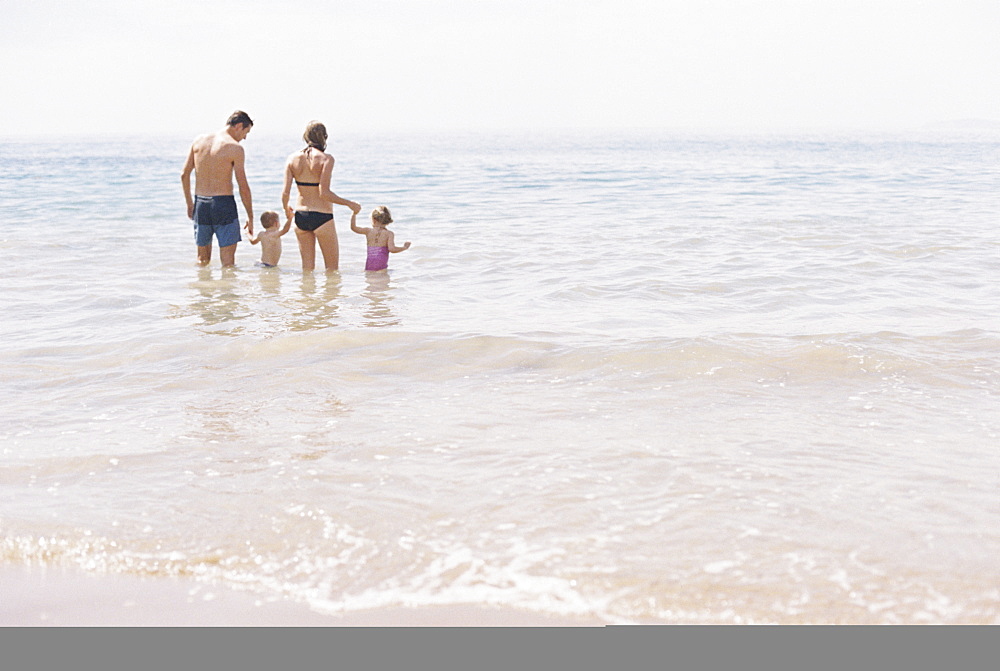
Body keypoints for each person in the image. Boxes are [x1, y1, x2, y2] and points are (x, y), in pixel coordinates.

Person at [281, 121, 361, 272]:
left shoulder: (292, 159)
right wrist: (349, 203)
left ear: (306, 136)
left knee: (307, 270)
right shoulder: (326, 159)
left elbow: (285, 193)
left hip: (301, 215)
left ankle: (306, 296)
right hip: (322, 216)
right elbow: (324, 193)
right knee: (332, 271)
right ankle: (329, 296)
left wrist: (286, 210)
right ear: (325, 137)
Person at [181, 110, 255, 267]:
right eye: (246, 132)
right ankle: (226, 291)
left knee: (202, 260)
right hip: (223, 205)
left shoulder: (199, 141)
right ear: (239, 126)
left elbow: (184, 174)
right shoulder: (234, 148)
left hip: (201, 204)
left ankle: (203, 290)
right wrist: (250, 216)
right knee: (228, 264)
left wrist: (190, 204)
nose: (245, 138)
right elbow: (243, 186)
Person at [350, 205, 410, 272]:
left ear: (374, 220)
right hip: (382, 267)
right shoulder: (389, 233)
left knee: (370, 280)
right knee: (383, 280)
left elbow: (353, 228)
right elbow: (392, 249)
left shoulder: (368, 231)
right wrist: (404, 247)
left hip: (369, 266)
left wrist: (354, 214)